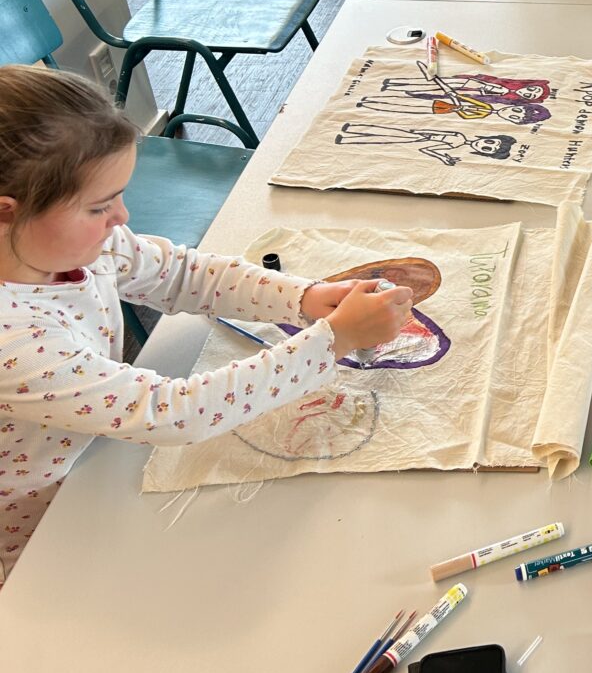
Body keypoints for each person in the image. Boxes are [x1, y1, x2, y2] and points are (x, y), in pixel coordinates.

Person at [0, 66, 413, 583]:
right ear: (6, 212)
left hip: (98, 456)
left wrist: (303, 298)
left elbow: (182, 275)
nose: (122, 217)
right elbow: (173, 411)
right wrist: (334, 341)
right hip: (40, 525)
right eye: (99, 206)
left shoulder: (84, 243)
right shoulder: (13, 339)